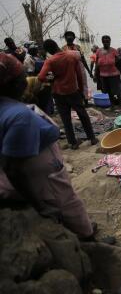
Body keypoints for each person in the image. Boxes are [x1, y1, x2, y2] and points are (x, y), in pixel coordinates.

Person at [0, 53, 94, 238]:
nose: (26, 81)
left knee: (67, 119)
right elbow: (12, 167)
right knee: (66, 204)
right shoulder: (19, 116)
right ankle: (87, 237)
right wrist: (40, 206)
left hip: (32, 174)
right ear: (13, 83)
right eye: (22, 77)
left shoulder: (8, 107)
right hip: (44, 176)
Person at [38, 39, 98, 150]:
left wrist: (51, 78)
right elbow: (79, 75)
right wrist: (81, 90)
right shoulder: (72, 56)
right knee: (83, 115)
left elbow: (41, 77)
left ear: (49, 50)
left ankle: (73, 143)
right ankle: (92, 138)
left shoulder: (50, 61)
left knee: (66, 119)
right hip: (73, 91)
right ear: (56, 45)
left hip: (58, 93)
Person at [62, 31, 92, 103]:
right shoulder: (63, 48)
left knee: (83, 83)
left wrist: (89, 71)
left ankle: (85, 100)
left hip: (80, 68)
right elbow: (61, 60)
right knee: (72, 85)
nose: (69, 37)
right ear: (65, 38)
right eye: (67, 36)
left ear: (74, 38)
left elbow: (83, 59)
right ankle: (75, 101)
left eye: (71, 36)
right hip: (69, 69)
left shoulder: (78, 47)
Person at [94, 35, 121, 107]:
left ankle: (120, 106)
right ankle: (112, 106)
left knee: (117, 91)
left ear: (110, 41)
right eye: (104, 40)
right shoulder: (98, 51)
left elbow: (119, 62)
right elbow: (96, 64)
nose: (106, 41)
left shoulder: (114, 51)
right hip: (103, 75)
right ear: (102, 41)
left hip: (114, 75)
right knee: (108, 92)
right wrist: (95, 75)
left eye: (107, 39)